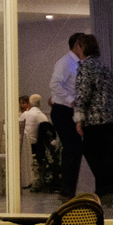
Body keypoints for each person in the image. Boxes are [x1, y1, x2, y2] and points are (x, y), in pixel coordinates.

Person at [71, 34, 113, 200]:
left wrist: (78, 119)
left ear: (83, 47)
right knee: (105, 154)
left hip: (94, 118)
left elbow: (83, 93)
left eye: (78, 46)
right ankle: (107, 188)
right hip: (110, 116)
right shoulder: (103, 66)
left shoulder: (85, 67)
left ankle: (103, 189)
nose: (76, 50)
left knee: (92, 152)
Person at [45, 33, 86, 194]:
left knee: (74, 149)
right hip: (63, 110)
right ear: (77, 44)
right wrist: (71, 100)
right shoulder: (65, 62)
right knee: (72, 147)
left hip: (71, 110)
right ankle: (67, 188)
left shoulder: (78, 63)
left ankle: (70, 187)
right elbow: (55, 84)